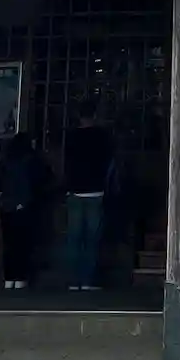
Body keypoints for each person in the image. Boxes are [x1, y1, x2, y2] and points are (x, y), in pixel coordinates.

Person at [62, 102, 114, 291]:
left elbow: (66, 163)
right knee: (92, 239)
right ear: (94, 115)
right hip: (95, 191)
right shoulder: (102, 136)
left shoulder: (71, 137)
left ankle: (73, 280)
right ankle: (87, 281)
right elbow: (110, 163)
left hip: (75, 191)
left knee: (74, 238)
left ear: (78, 117)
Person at [0, 132, 52, 290]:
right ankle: (20, 277)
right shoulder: (33, 160)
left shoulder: (6, 160)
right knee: (23, 244)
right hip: (26, 205)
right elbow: (43, 179)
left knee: (9, 243)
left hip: (7, 206)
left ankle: (9, 277)